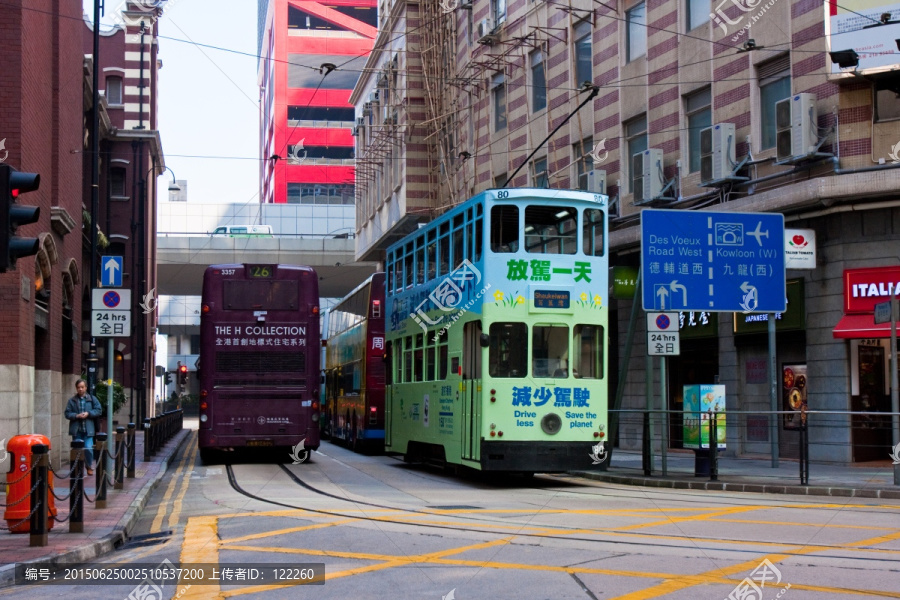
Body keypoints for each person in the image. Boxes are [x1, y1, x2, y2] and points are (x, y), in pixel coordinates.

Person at [65, 379, 102, 475]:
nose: (80, 389)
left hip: (88, 430)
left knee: (88, 448)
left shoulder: (92, 399)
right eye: (78, 387)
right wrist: (76, 416)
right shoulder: (72, 400)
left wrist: (88, 413)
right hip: (77, 430)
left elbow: (98, 410)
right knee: (77, 451)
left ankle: (88, 466)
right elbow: (67, 413)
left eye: (82, 387)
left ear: (86, 388)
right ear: (76, 388)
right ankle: (78, 469)